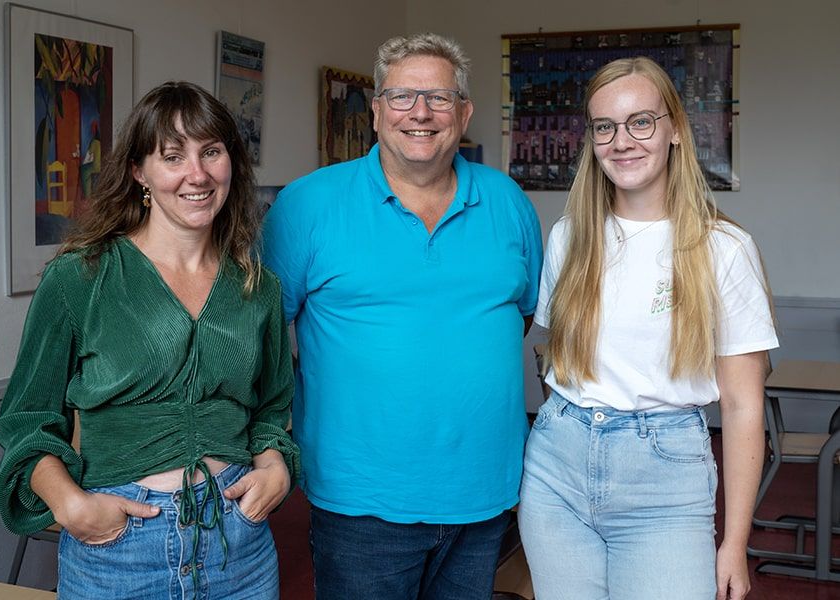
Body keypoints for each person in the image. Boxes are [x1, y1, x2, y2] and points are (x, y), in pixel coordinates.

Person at [0, 81, 298, 600]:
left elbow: (271, 410)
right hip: (120, 549)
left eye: (212, 152)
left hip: (238, 546)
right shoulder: (80, 277)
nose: (197, 174)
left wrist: (275, 467)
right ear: (140, 172)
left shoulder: (257, 287)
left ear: (231, 164)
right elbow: (27, 419)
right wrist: (71, 505)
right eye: (172, 156)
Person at [263, 33, 542, 600]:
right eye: (402, 96)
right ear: (375, 111)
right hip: (361, 499)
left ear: (463, 113)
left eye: (440, 98)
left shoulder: (508, 200)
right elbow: (263, 335)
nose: (420, 112)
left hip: (485, 490)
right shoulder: (306, 205)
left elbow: (523, 315)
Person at [518, 57, 777, 600]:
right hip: (555, 473)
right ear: (591, 139)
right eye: (605, 127)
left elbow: (742, 406)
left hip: (665, 479)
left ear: (675, 129)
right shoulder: (569, 238)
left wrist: (734, 542)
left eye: (642, 121)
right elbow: (554, 360)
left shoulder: (724, 249)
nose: (622, 141)